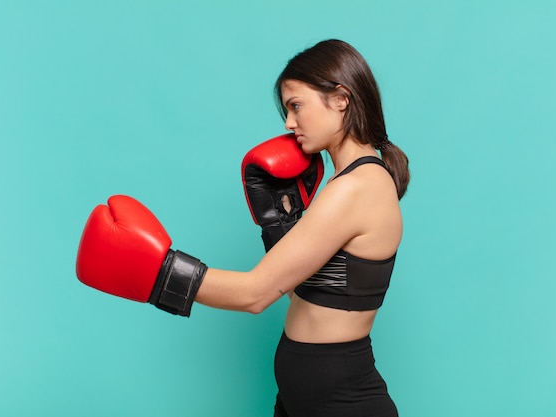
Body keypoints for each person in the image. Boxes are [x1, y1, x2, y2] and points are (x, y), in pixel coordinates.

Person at [76, 39, 409, 417]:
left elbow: (256, 294)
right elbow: (306, 299)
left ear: (341, 99)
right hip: (306, 397)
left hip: (343, 402)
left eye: (296, 106)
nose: (289, 123)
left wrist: (160, 273)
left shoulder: (357, 186)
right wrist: (278, 228)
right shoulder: (347, 182)